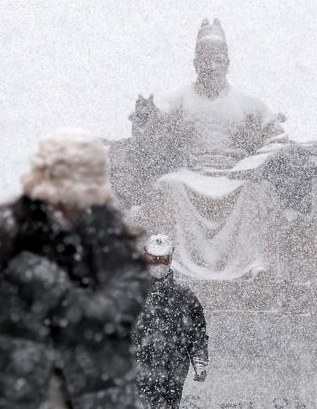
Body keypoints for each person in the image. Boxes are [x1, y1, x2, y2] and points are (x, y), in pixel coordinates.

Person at [0, 128, 150, 409]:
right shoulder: (1, 245)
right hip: (17, 403)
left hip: (89, 406)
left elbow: (119, 307)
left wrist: (57, 292)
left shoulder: (111, 247)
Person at [121, 18, 293, 281]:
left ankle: (252, 265)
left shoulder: (247, 104)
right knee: (168, 186)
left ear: (227, 63)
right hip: (192, 174)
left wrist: (258, 161)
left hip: (233, 177)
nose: (211, 65)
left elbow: (277, 138)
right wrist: (147, 113)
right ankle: (173, 263)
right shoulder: (180, 98)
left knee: (255, 192)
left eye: (217, 58)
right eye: (205, 58)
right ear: (195, 63)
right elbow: (155, 117)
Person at [134, 234, 209, 409]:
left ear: (170, 260)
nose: (158, 264)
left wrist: (200, 361)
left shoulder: (184, 296)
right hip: (138, 372)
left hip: (172, 373)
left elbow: (197, 332)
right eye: (153, 259)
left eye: (163, 259)